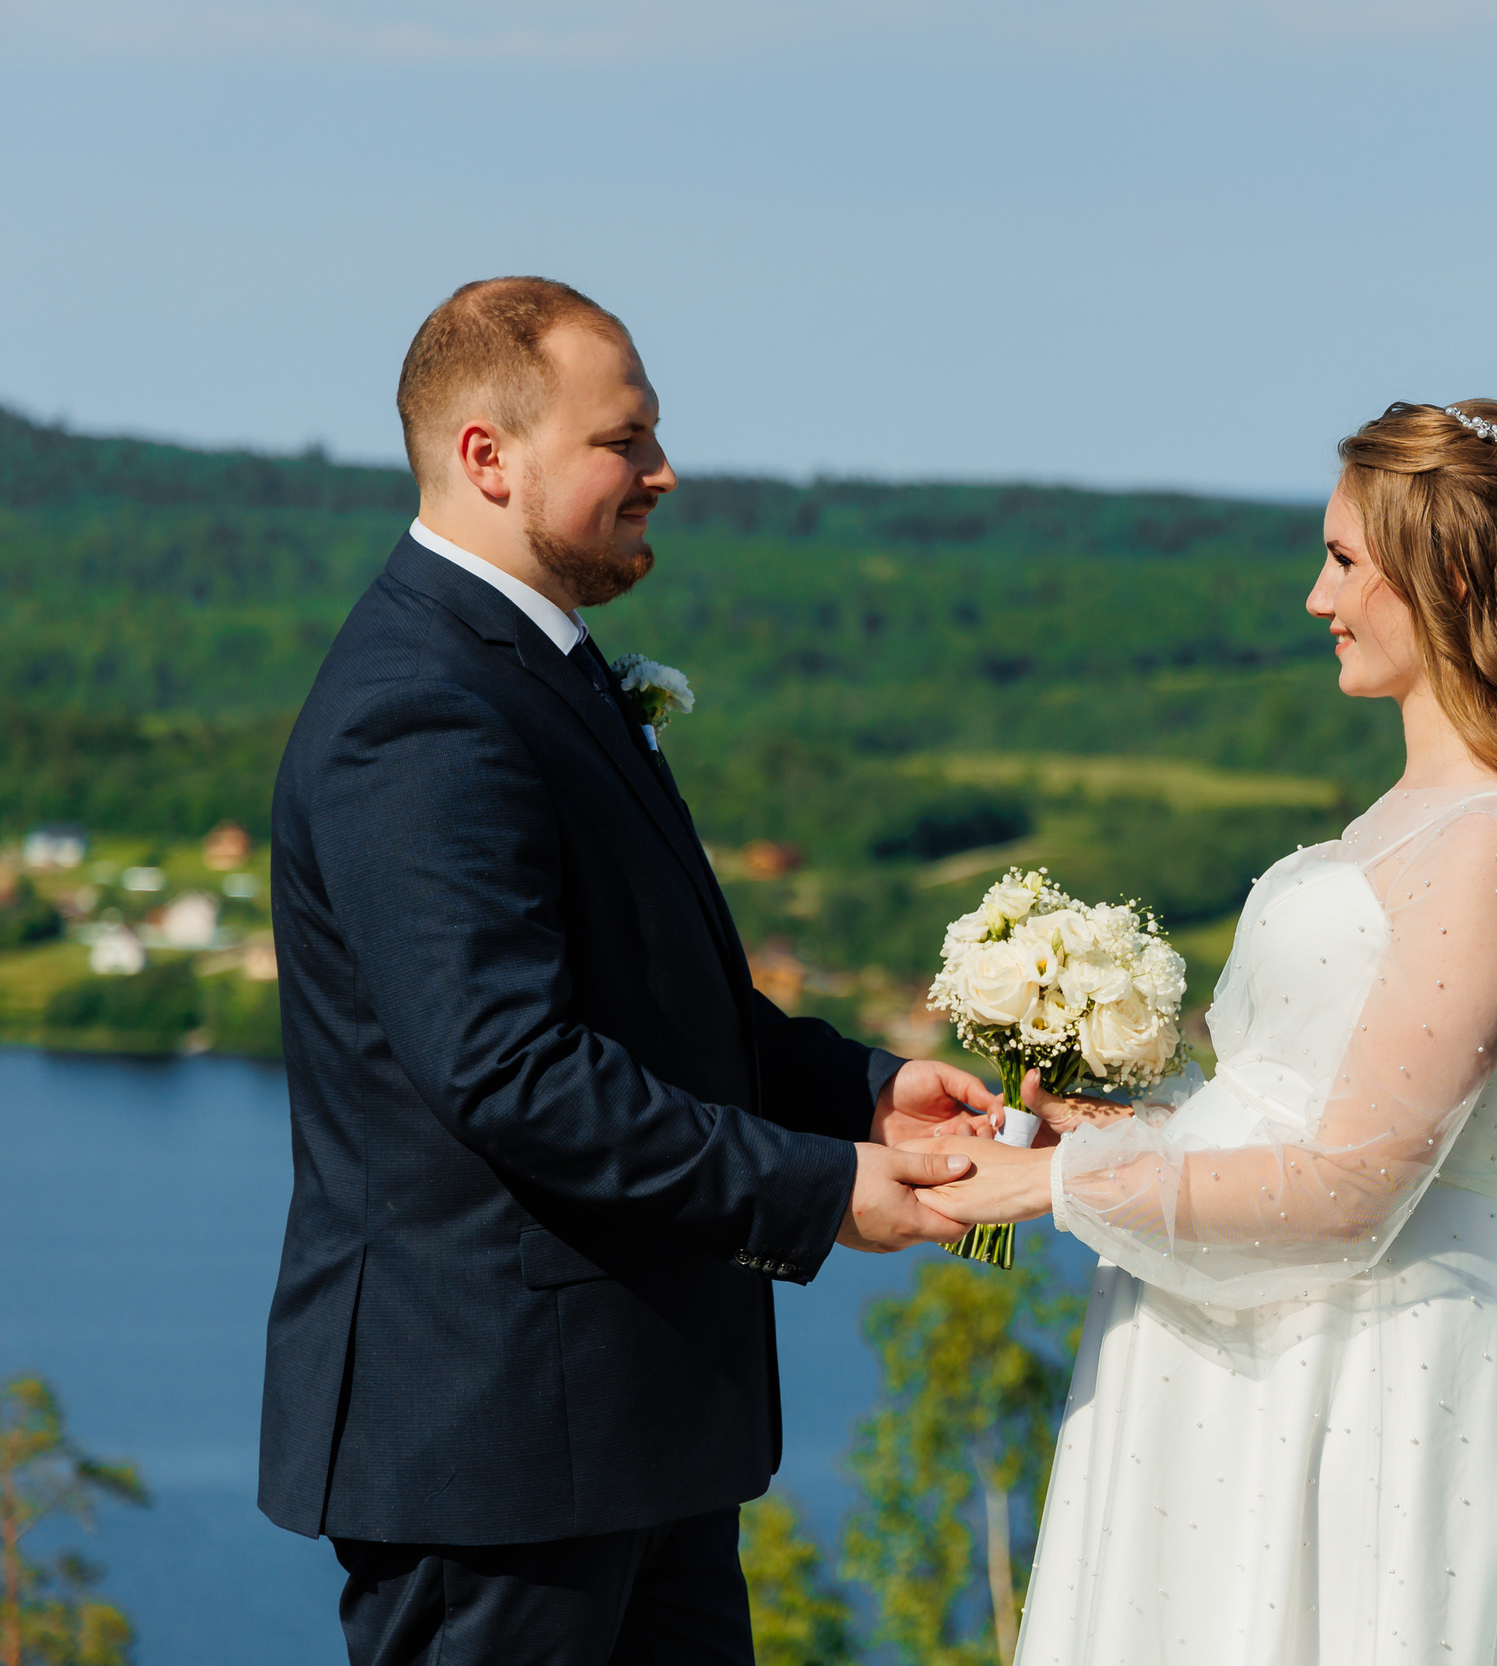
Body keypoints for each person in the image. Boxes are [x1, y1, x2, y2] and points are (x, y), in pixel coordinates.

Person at [923, 400, 1497, 1664]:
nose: (1318, 598)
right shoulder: (1405, 817)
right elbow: (1309, 1108)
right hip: (1240, 1359)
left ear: (1453, 575)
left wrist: (1053, 1178)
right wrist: (1132, 1124)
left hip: (1368, 1397)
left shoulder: (1490, 846)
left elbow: (1355, 1188)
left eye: (1345, 561)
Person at [259, 276, 997, 1665]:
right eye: (626, 440)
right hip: (496, 1453)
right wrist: (824, 1189)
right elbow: (512, 1071)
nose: (667, 470)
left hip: (632, 1434)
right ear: (490, 455)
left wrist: (869, 1092)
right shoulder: (417, 706)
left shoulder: (537, 670)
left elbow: (663, 1010)